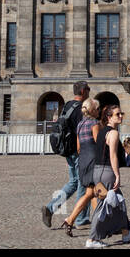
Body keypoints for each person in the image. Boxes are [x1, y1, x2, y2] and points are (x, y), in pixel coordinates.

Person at [85, 105, 130, 247]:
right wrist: (117, 174)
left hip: (99, 170)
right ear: (109, 117)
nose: (121, 116)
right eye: (117, 114)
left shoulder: (102, 131)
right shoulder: (113, 133)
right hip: (107, 171)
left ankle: (126, 233)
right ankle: (92, 239)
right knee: (102, 206)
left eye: (121, 113)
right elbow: (113, 156)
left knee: (118, 204)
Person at [42, 80, 89, 228]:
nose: (89, 91)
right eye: (88, 89)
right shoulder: (81, 108)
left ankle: (50, 208)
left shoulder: (68, 105)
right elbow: (81, 131)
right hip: (77, 150)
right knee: (83, 184)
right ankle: (81, 219)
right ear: (82, 92)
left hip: (67, 150)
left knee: (73, 182)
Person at [60, 98, 100, 234]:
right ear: (93, 110)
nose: (99, 111)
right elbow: (98, 143)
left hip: (83, 160)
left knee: (91, 193)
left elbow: (78, 147)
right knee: (93, 193)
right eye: (98, 109)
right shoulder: (94, 123)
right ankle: (71, 219)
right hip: (93, 161)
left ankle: (96, 221)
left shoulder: (81, 124)